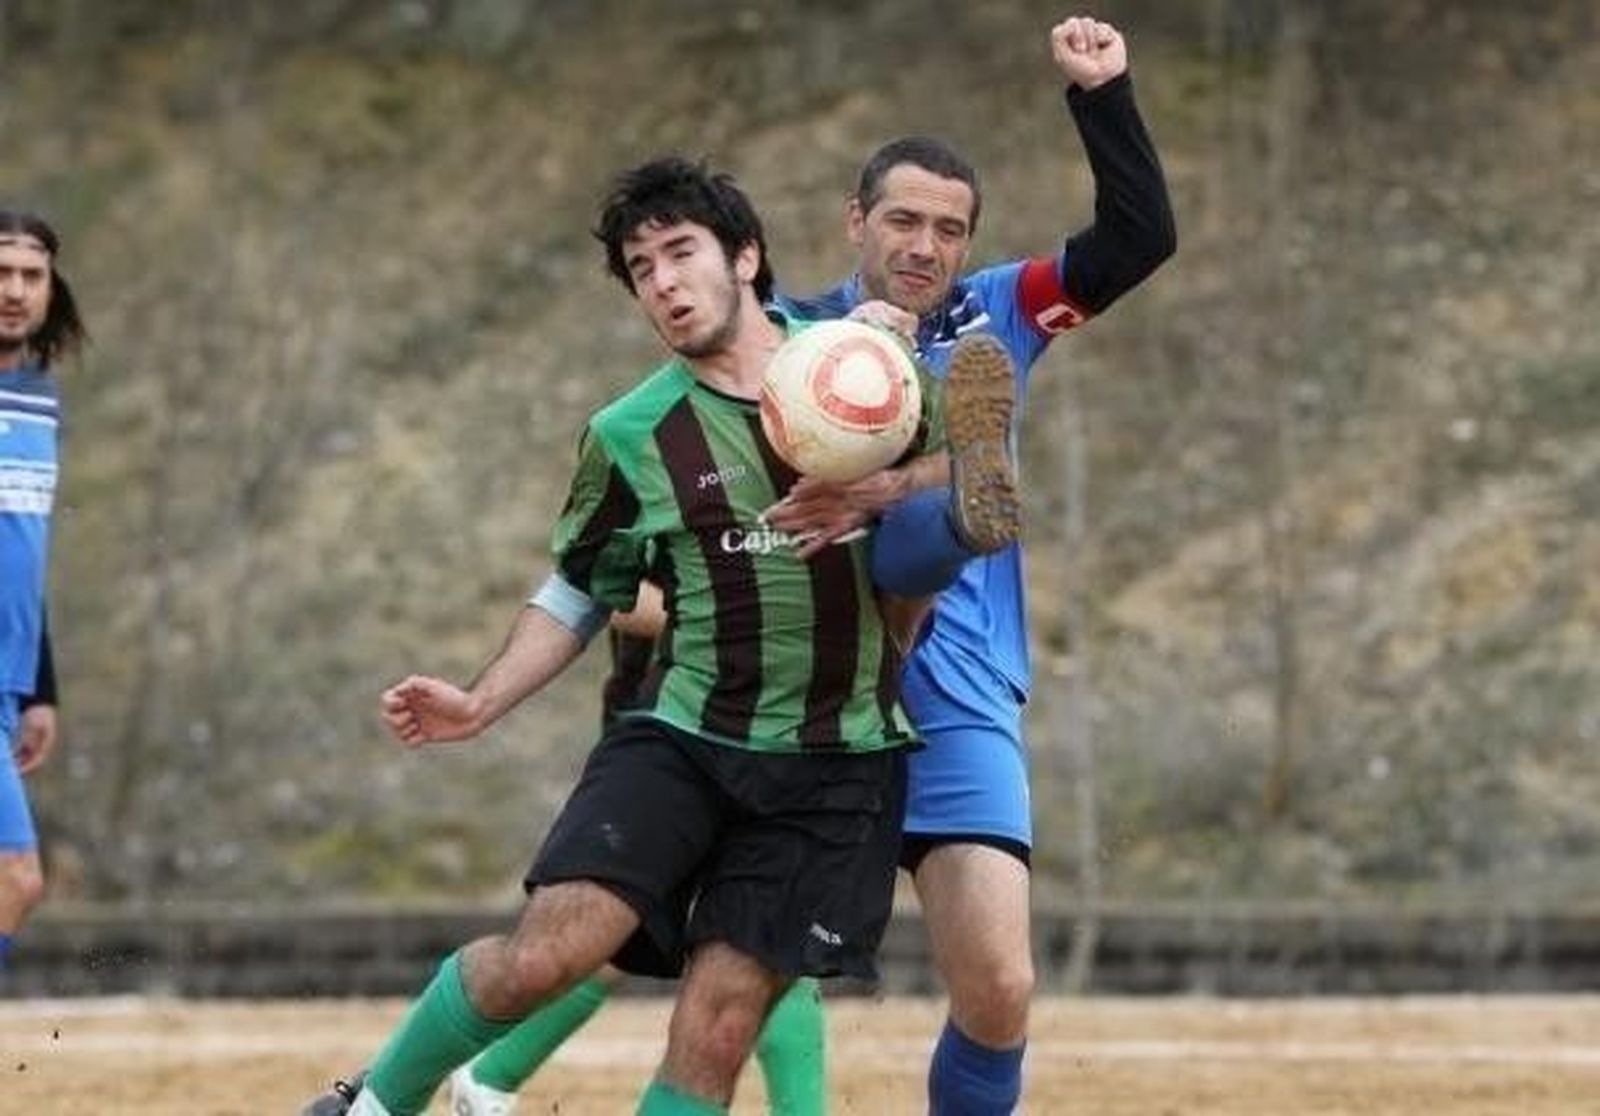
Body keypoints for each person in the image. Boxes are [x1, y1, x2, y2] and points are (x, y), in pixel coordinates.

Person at [446, 13, 1176, 1114]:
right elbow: (684, 489)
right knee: (645, 941)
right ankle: (482, 1080)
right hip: (802, 691)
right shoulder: (789, 335)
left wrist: (1103, 95)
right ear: (854, 222)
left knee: (999, 987)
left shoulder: (995, 311)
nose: (923, 246)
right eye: (901, 222)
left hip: (953, 696)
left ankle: (952, 479)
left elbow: (1136, 239)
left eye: (947, 228)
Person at [301, 155, 971, 1116]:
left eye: (680, 252)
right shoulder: (631, 432)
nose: (661, 281)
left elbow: (980, 480)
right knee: (548, 956)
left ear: (746, 257)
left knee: (720, 1028)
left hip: (838, 764)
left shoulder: (863, 371)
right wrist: (480, 700)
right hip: (687, 740)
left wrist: (884, 486)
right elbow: (581, 587)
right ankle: (370, 1107)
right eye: (641, 267)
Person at [0, 210, 83, 973]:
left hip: (7, 685)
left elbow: (24, 558)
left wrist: (40, 686)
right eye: (1, 272)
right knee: (15, 879)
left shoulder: (38, 399)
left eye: (31, 275)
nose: (14, 290)